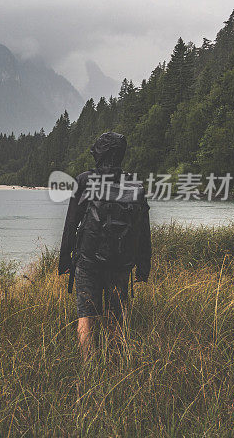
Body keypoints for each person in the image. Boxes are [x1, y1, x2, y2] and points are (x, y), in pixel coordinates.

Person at [58, 132, 151, 359]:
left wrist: (64, 261)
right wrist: (143, 266)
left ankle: (89, 368)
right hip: (121, 262)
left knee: (86, 315)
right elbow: (142, 230)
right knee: (116, 316)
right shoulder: (134, 186)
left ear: (99, 152)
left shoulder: (84, 181)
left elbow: (71, 224)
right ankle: (116, 366)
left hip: (88, 260)